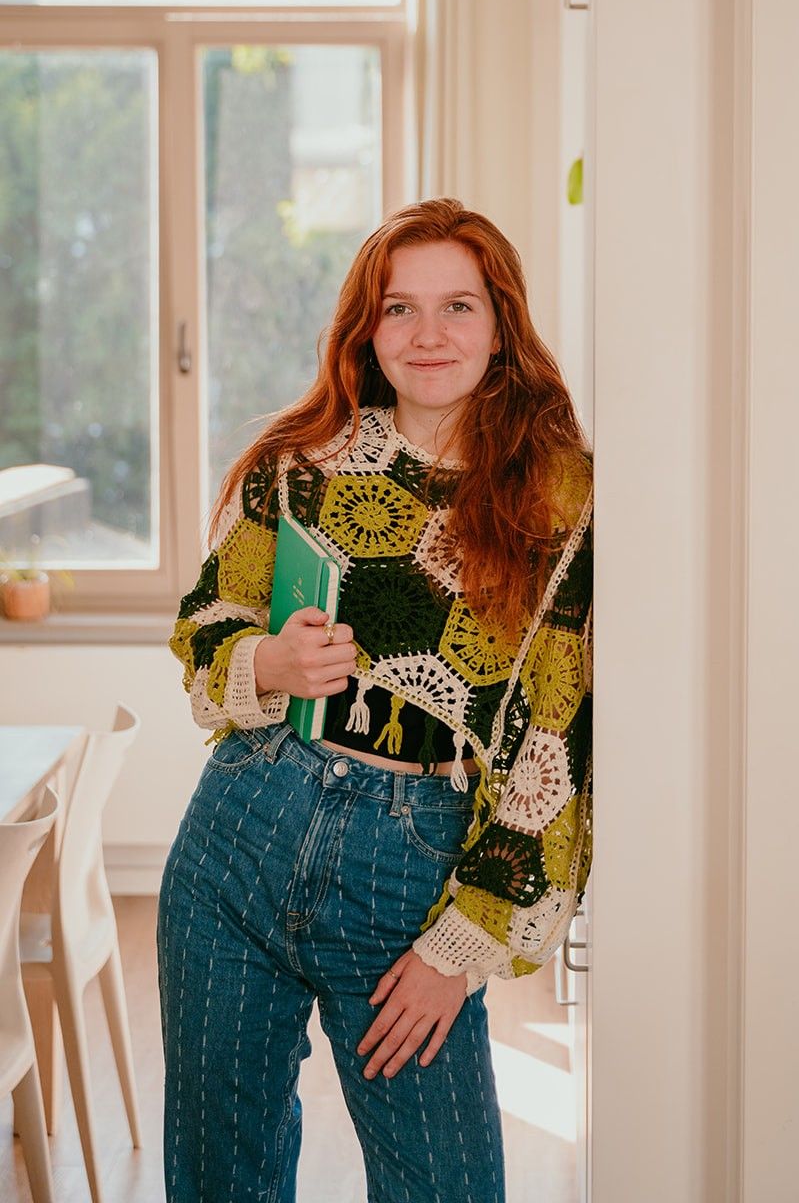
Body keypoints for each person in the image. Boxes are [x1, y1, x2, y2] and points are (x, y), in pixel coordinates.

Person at [157, 197, 593, 1203]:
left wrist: (462, 943)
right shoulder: (298, 462)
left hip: (412, 871)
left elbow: (553, 747)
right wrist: (266, 664)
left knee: (444, 1184)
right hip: (240, 833)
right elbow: (206, 626)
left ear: (501, 325)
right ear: (367, 328)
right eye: (399, 309)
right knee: (222, 1176)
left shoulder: (557, 502)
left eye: (457, 306)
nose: (427, 334)